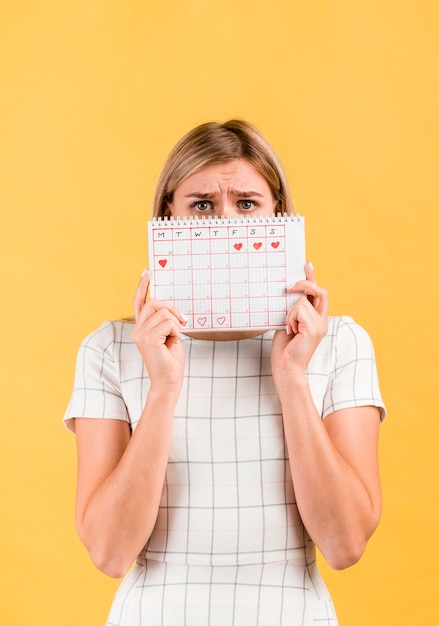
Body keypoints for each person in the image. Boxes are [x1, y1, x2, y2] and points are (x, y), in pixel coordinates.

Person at [64, 120, 386, 625]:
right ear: (167, 214)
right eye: (202, 204)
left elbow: (345, 545)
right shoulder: (109, 348)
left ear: (278, 212)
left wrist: (293, 379)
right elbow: (108, 553)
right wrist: (164, 387)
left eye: (247, 203)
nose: (225, 222)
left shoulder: (340, 344)